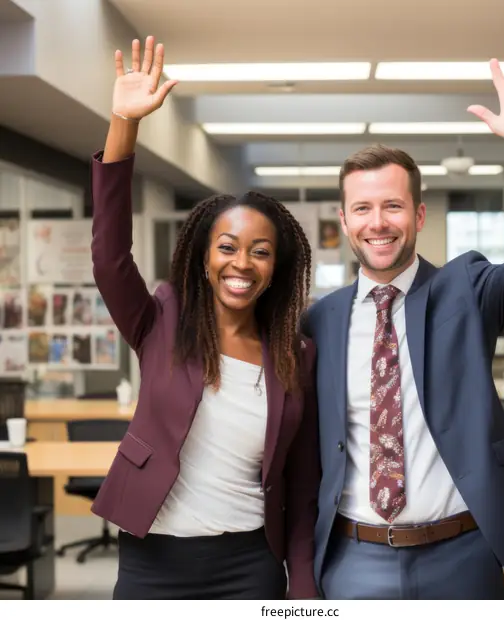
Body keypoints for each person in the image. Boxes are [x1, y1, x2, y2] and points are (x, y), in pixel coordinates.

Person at [303, 49, 504, 600]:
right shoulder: (321, 320)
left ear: (419, 216)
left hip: (462, 555)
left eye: (392, 206)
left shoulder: (467, 290)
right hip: (353, 557)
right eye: (361, 209)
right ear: (343, 219)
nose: (377, 223)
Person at [89, 36, 320, 600]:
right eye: (228, 247)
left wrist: (304, 587)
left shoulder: (296, 354)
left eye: (260, 251)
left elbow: (299, 479)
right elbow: (109, 258)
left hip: (248, 562)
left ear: (276, 268)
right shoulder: (161, 318)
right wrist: (124, 122)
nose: (242, 263)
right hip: (154, 557)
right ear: (204, 255)